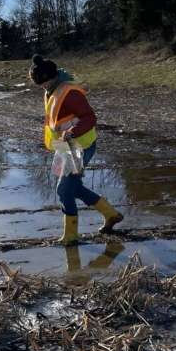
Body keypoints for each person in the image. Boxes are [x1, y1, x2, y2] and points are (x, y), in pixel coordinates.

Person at [29, 54, 123, 245]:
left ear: (53, 76)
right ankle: (111, 214)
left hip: (80, 145)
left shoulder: (70, 92)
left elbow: (89, 117)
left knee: (64, 189)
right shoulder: (51, 90)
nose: (43, 86)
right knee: (73, 188)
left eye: (44, 82)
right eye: (40, 84)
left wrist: (73, 131)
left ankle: (71, 234)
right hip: (65, 146)